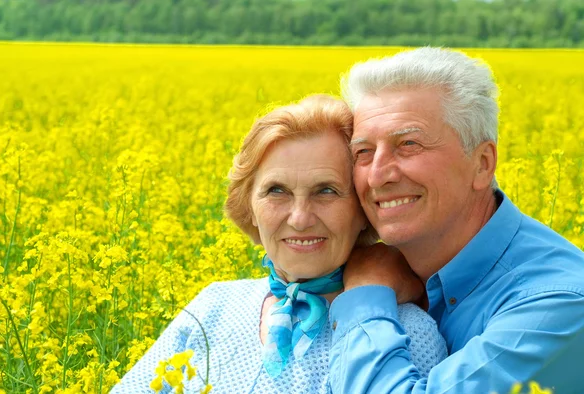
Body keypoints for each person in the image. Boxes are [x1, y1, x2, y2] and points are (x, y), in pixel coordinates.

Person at [110, 95, 447, 393]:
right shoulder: (213, 306)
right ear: (250, 208)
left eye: (326, 191)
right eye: (276, 191)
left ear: (361, 210)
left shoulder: (407, 331)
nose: (300, 218)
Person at [327, 47, 584, 394]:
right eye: (363, 152)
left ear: (482, 163)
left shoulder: (559, 305)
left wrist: (365, 294)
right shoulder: (386, 267)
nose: (377, 176)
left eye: (409, 144)